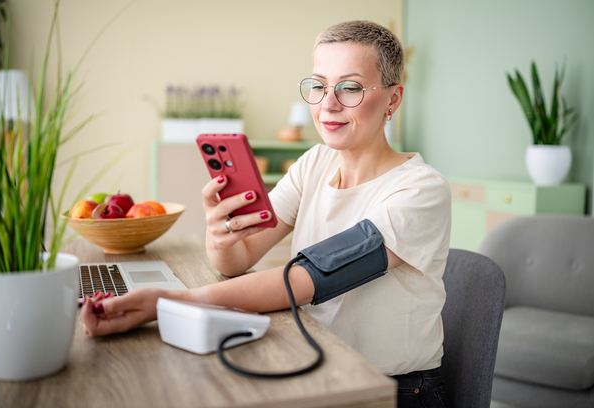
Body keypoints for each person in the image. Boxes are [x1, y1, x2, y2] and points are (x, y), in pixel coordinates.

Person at [82, 20, 450, 408]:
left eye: (350, 87)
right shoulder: (315, 163)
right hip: (318, 360)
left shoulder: (422, 191)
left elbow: (312, 276)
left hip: (392, 389)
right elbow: (237, 258)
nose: (328, 103)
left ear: (393, 99)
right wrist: (219, 233)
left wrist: (170, 301)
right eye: (319, 85)